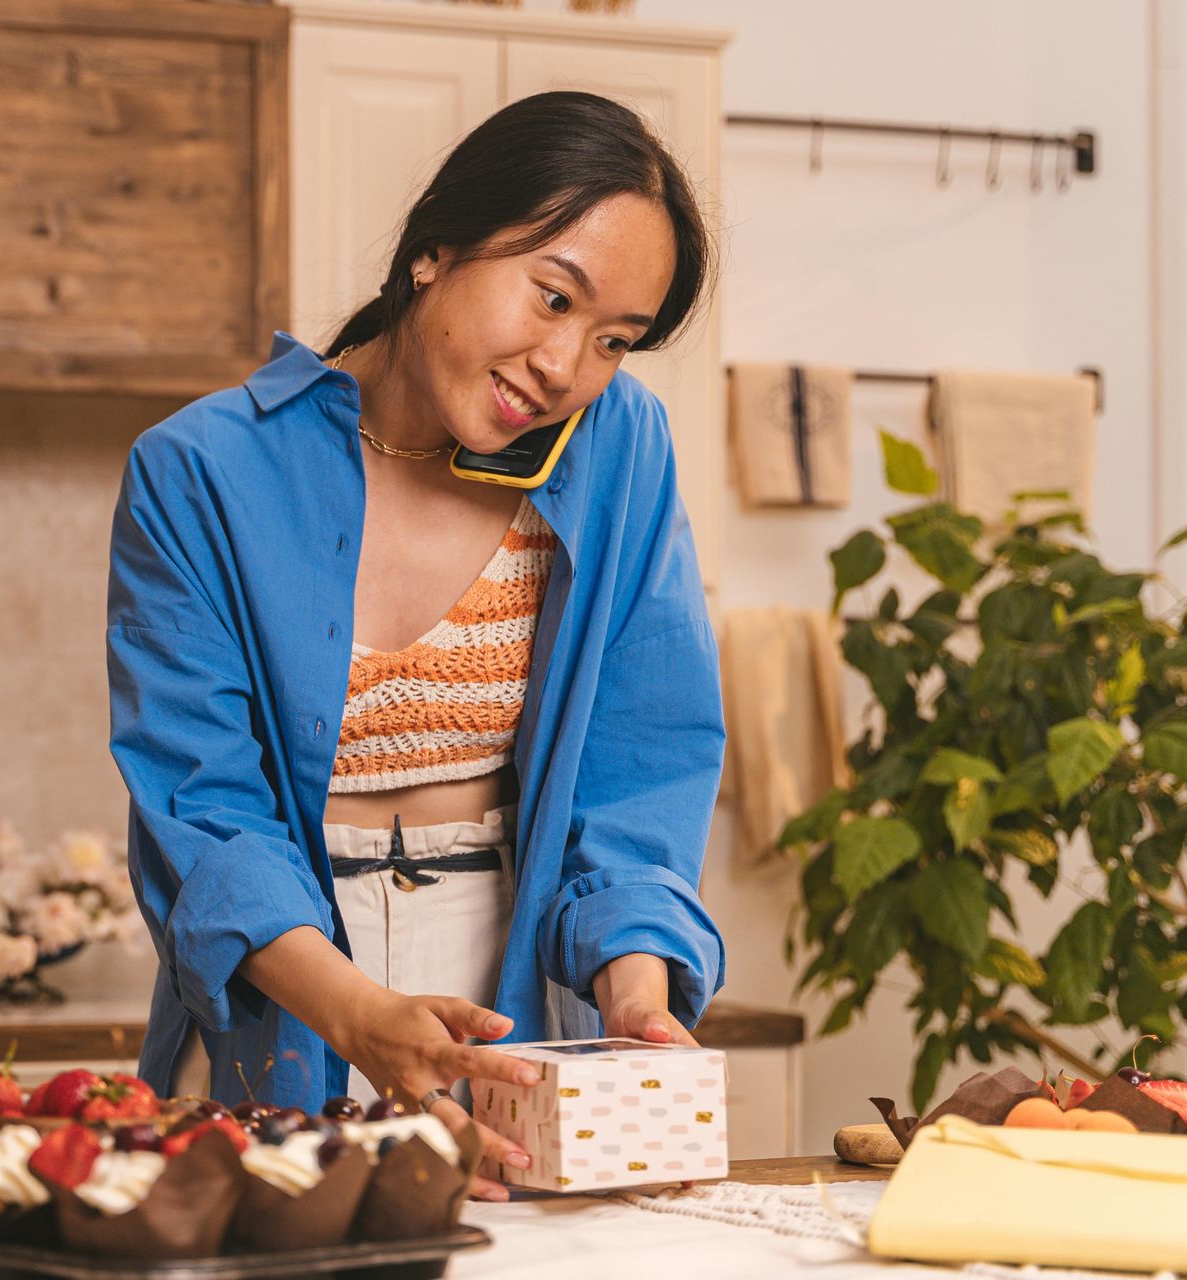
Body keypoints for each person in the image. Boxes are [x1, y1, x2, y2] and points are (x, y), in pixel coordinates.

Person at [107, 90, 725, 1199]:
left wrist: (635, 999)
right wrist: (360, 1016)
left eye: (613, 340)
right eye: (552, 296)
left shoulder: (619, 448)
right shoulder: (199, 469)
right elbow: (204, 812)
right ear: (436, 247)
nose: (564, 366)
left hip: (517, 996)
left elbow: (641, 770)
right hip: (294, 985)